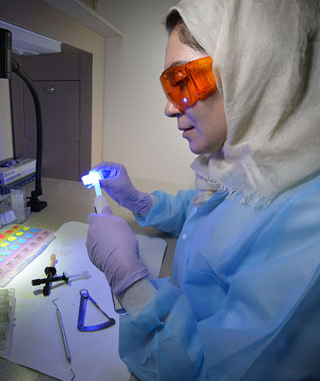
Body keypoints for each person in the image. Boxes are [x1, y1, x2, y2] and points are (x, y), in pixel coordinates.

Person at [85, 0, 320, 379]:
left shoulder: (309, 228)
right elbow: (212, 215)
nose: (169, 108)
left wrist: (131, 286)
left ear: (253, 70)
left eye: (182, 81)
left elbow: (210, 372)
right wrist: (139, 200)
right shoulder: (249, 162)